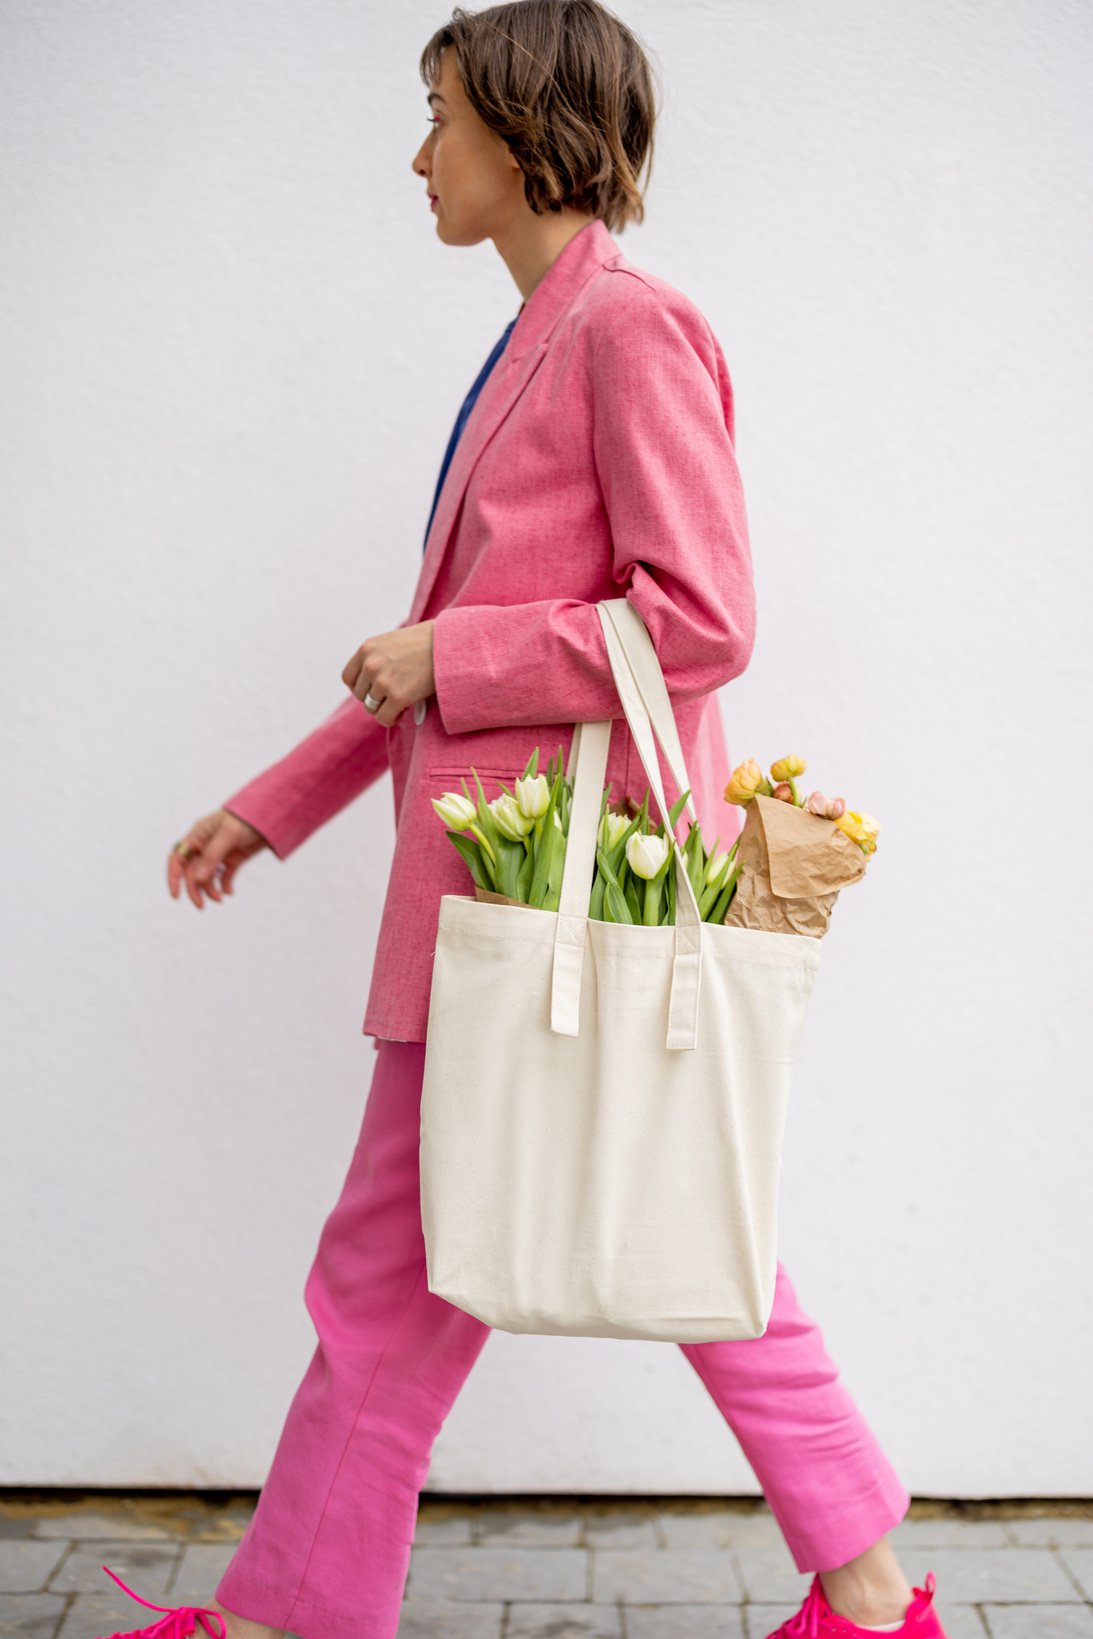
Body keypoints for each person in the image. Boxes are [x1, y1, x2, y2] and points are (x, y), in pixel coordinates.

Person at [105, 6, 950, 1637]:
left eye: (440, 116)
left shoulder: (630, 328)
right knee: (575, 1246)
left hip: (546, 911)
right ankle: (862, 1591)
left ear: (523, 129)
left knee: (524, 1256)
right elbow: (437, 659)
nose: (419, 155)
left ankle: (293, 1619)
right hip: (508, 910)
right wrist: (272, 808)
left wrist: (456, 653)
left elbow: (699, 617)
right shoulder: (540, 337)